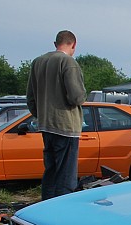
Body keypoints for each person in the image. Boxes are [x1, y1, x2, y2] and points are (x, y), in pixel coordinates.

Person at [26, 30, 87, 199]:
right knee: (66, 176)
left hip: (45, 125)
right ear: (74, 45)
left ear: (55, 44)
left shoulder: (38, 62)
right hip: (66, 126)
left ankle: (45, 211)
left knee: (51, 172)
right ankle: (63, 215)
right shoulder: (68, 62)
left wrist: (41, 115)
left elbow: (30, 98)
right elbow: (76, 97)